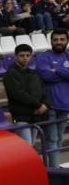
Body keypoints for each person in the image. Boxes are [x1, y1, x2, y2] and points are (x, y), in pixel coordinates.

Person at [4, 44, 50, 149]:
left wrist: (46, 105)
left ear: (31, 56)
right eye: (22, 55)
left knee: (31, 145)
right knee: (26, 146)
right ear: (15, 56)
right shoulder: (10, 74)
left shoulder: (34, 73)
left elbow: (43, 91)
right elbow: (18, 94)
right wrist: (38, 105)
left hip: (35, 116)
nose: (25, 58)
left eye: (28, 55)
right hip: (21, 117)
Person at [35, 28, 69, 167]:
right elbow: (45, 75)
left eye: (62, 39)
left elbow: (52, 74)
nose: (58, 42)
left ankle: (53, 168)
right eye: (55, 40)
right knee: (52, 139)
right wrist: (65, 72)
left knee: (59, 138)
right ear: (51, 41)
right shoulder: (43, 56)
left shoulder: (67, 56)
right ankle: (54, 170)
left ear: (67, 41)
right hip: (51, 105)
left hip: (66, 105)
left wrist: (56, 69)